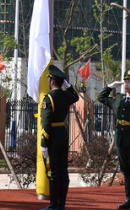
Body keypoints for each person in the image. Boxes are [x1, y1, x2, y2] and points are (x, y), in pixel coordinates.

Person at [97, 69, 130, 210]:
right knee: (126, 171)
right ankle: (128, 199)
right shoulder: (119, 99)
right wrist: (110, 87)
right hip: (120, 140)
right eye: (125, 82)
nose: (127, 85)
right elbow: (101, 98)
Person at [39, 64, 79, 210]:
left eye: (49, 80)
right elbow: (76, 96)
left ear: (52, 81)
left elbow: (46, 123)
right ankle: (61, 205)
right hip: (63, 133)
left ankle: (53, 204)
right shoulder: (66, 96)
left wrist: (44, 143)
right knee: (63, 170)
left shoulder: (48, 98)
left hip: (52, 137)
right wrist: (68, 86)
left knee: (53, 171)